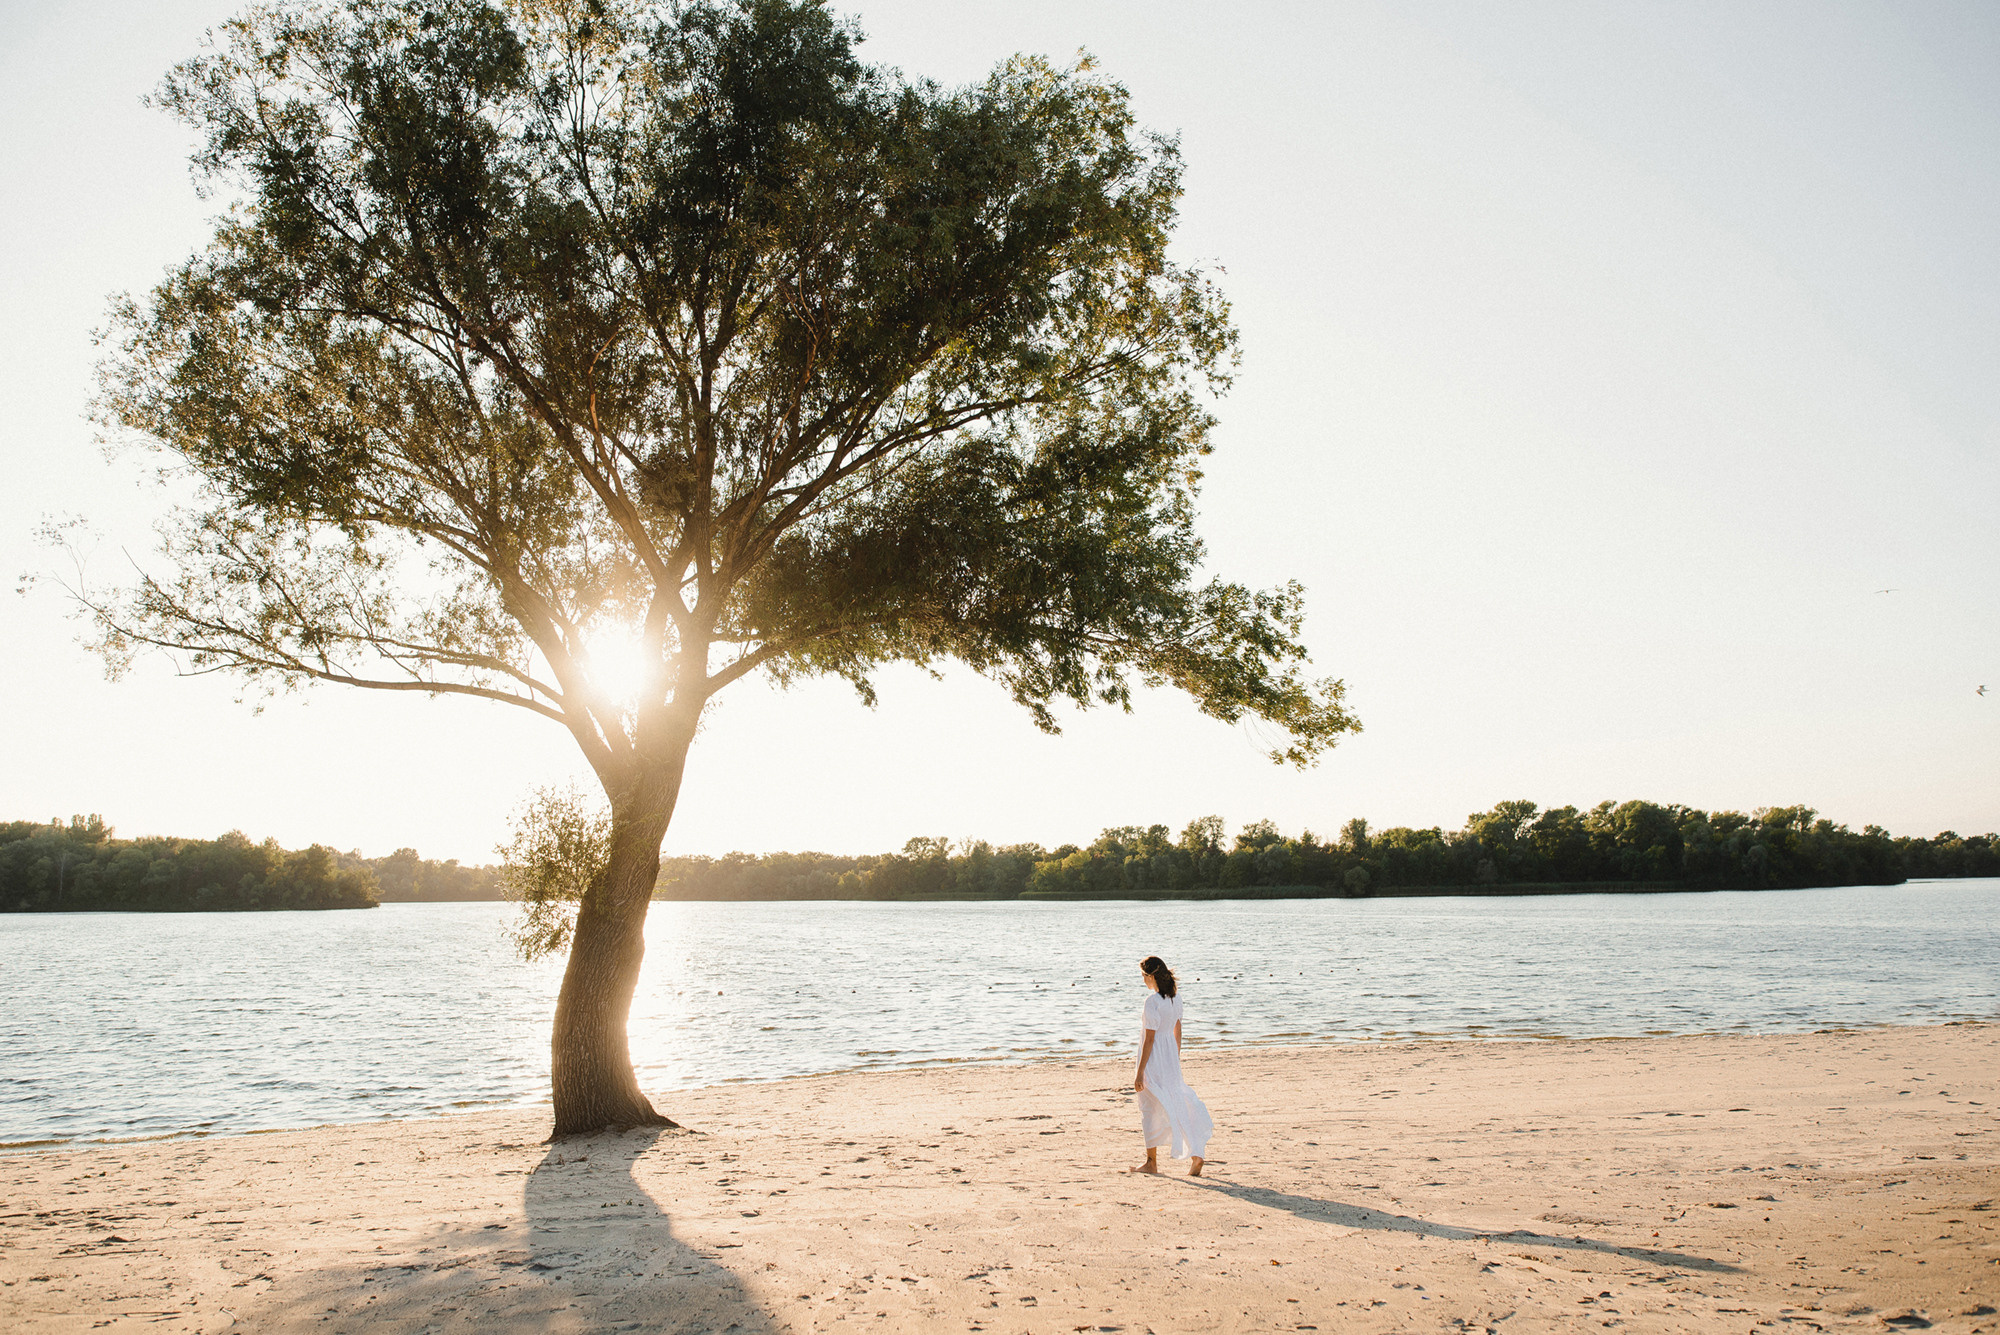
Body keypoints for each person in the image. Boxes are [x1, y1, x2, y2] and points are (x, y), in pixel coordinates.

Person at [1130, 955, 1213, 1176]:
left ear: (1151, 976)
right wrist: (1175, 1056)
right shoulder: (1175, 998)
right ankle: (1196, 1154)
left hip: (1154, 1058)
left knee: (1149, 1108)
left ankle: (1151, 1162)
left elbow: (1149, 1040)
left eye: (1143, 976)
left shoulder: (1152, 1002)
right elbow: (1178, 1029)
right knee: (1177, 1103)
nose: (1143, 980)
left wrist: (1139, 1072)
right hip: (1169, 1057)